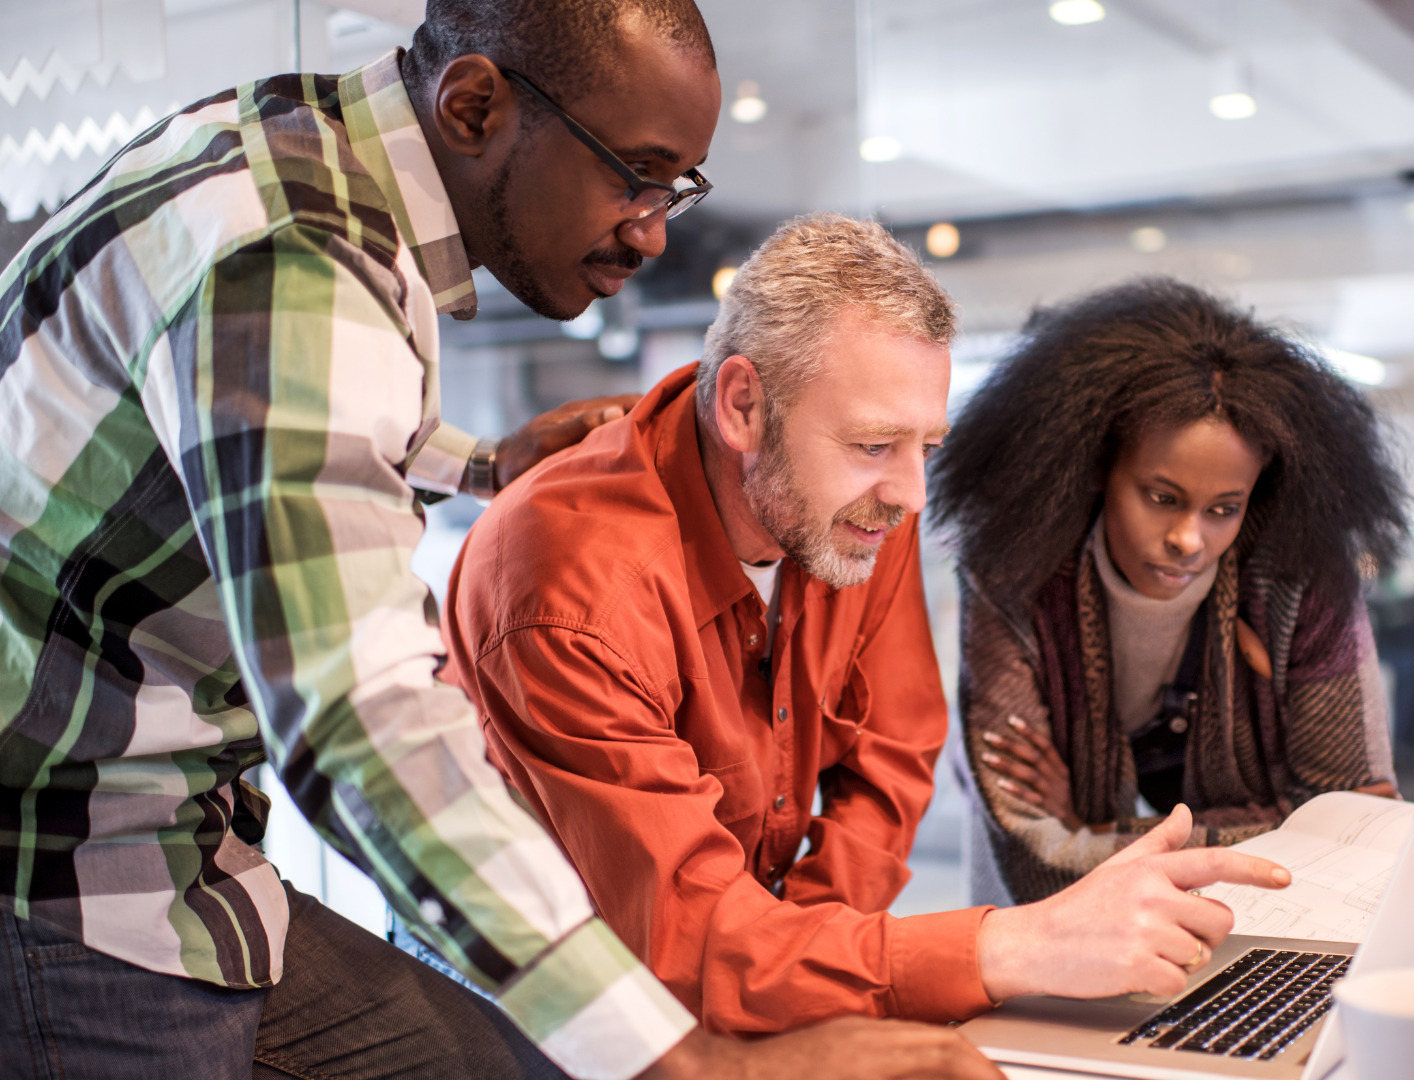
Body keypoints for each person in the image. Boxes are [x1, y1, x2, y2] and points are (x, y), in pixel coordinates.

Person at [0, 2, 1000, 1078]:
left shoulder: (293, 160)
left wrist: (476, 463)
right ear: (472, 106)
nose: (654, 229)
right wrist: (702, 1063)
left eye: (678, 188)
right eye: (636, 173)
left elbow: (235, 420)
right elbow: (361, 722)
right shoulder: (298, 258)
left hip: (192, 846)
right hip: (72, 864)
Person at [442, 214, 1292, 1035]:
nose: (913, 498)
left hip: (730, 975)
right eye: (875, 445)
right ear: (742, 407)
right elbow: (685, 937)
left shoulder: (857, 504)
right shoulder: (568, 595)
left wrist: (801, 964)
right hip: (539, 1021)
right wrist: (1011, 945)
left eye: (925, 447)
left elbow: (893, 748)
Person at [926, 279, 1409, 905]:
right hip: (1054, 941)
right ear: (1099, 465)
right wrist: (1284, 824)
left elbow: (1356, 836)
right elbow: (1034, 863)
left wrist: (1091, 831)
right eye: (1162, 498)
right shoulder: (1014, 569)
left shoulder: (1301, 571)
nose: (1189, 538)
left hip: (1265, 929)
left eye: (1223, 509)